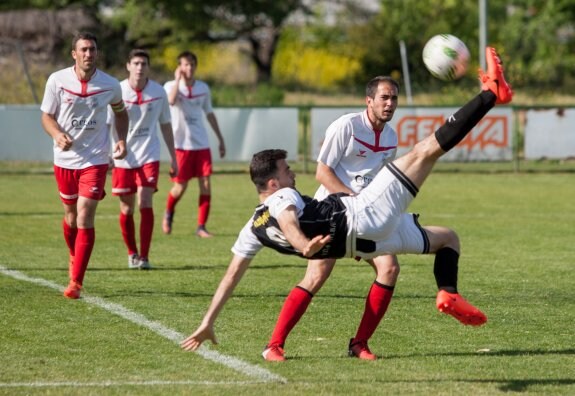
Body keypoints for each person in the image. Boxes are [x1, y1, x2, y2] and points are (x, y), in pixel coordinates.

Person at [181, 47, 512, 360]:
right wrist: (308, 239)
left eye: (394, 98)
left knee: (420, 251)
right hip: (350, 212)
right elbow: (313, 184)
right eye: (385, 97)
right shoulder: (327, 147)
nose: (293, 174)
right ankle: (490, 94)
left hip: (353, 224)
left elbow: (232, 274)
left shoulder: (252, 226)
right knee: (426, 151)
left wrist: (209, 320)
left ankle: (374, 335)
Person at [264, 76, 402, 361]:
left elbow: (381, 182)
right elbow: (322, 173)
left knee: (389, 268)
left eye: (394, 99)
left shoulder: (391, 137)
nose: (389, 104)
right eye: (384, 98)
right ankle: (274, 345)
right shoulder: (346, 126)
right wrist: (353, 202)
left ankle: (359, 343)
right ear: (369, 101)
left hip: (366, 215)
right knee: (316, 275)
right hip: (332, 211)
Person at [40, 32, 129, 299]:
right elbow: (46, 116)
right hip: (64, 160)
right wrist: (57, 134)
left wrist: (121, 139)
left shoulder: (110, 85)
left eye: (92, 49)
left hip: (96, 158)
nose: (89, 54)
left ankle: (76, 282)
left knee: (84, 215)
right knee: (70, 217)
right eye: (84, 50)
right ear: (74, 54)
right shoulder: (57, 80)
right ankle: (74, 252)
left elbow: (121, 113)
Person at [108, 49, 178, 270]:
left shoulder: (158, 92)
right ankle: (132, 253)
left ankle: (145, 257)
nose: (140, 67)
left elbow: (166, 125)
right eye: (136, 63)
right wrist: (108, 153)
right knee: (127, 209)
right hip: (122, 156)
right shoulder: (117, 90)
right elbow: (107, 125)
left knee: (145, 201)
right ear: (128, 65)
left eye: (144, 64)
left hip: (149, 153)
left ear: (148, 67)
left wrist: (174, 158)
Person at [162, 51, 226, 238]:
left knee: (206, 185)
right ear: (179, 67)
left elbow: (209, 113)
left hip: (201, 144)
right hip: (181, 146)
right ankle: (168, 213)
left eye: (192, 65)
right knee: (180, 188)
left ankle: (201, 227)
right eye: (185, 65)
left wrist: (220, 139)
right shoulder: (170, 86)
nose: (189, 68)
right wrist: (176, 81)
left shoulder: (203, 88)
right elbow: (171, 102)